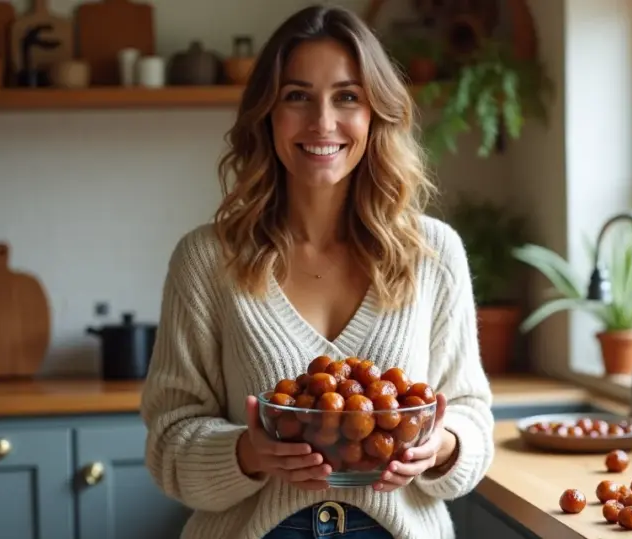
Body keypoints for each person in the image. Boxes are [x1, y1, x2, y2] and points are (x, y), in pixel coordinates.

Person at [140, 4, 495, 539]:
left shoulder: (433, 253)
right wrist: (248, 452)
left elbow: (471, 415)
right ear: (267, 113)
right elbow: (168, 441)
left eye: (347, 97)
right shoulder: (206, 260)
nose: (322, 122)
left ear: (375, 113)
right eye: (297, 96)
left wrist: (442, 446)